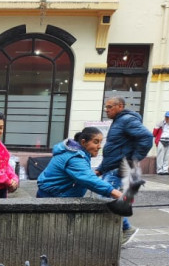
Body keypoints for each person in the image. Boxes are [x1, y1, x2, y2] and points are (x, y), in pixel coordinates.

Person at [96, 96, 153, 238]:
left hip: (117, 169)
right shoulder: (119, 121)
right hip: (111, 168)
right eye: (106, 107)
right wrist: (101, 169)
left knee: (104, 199)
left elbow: (147, 137)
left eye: (109, 107)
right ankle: (117, 231)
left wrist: (131, 161)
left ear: (120, 106)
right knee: (107, 199)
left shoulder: (127, 120)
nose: (106, 110)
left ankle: (126, 228)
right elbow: (114, 149)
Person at [36, 128, 123, 200]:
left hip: (52, 194)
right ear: (83, 142)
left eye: (100, 142)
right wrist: (115, 193)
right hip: (52, 198)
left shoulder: (75, 152)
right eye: (96, 142)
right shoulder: (74, 157)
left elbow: (84, 173)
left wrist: (99, 171)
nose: (99, 146)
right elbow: (88, 179)